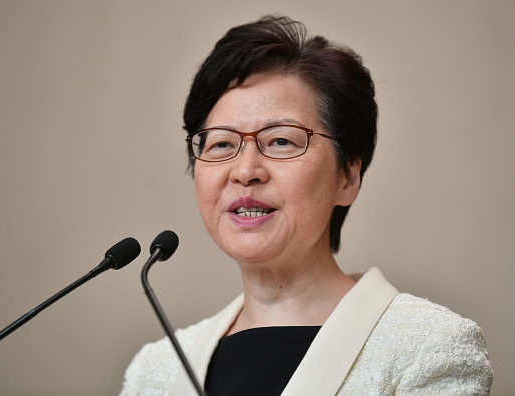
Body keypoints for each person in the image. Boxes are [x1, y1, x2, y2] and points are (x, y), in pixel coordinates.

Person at [121, 15, 493, 395]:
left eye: (281, 140)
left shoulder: (429, 349)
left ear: (347, 178)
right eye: (221, 144)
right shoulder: (155, 371)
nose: (245, 171)